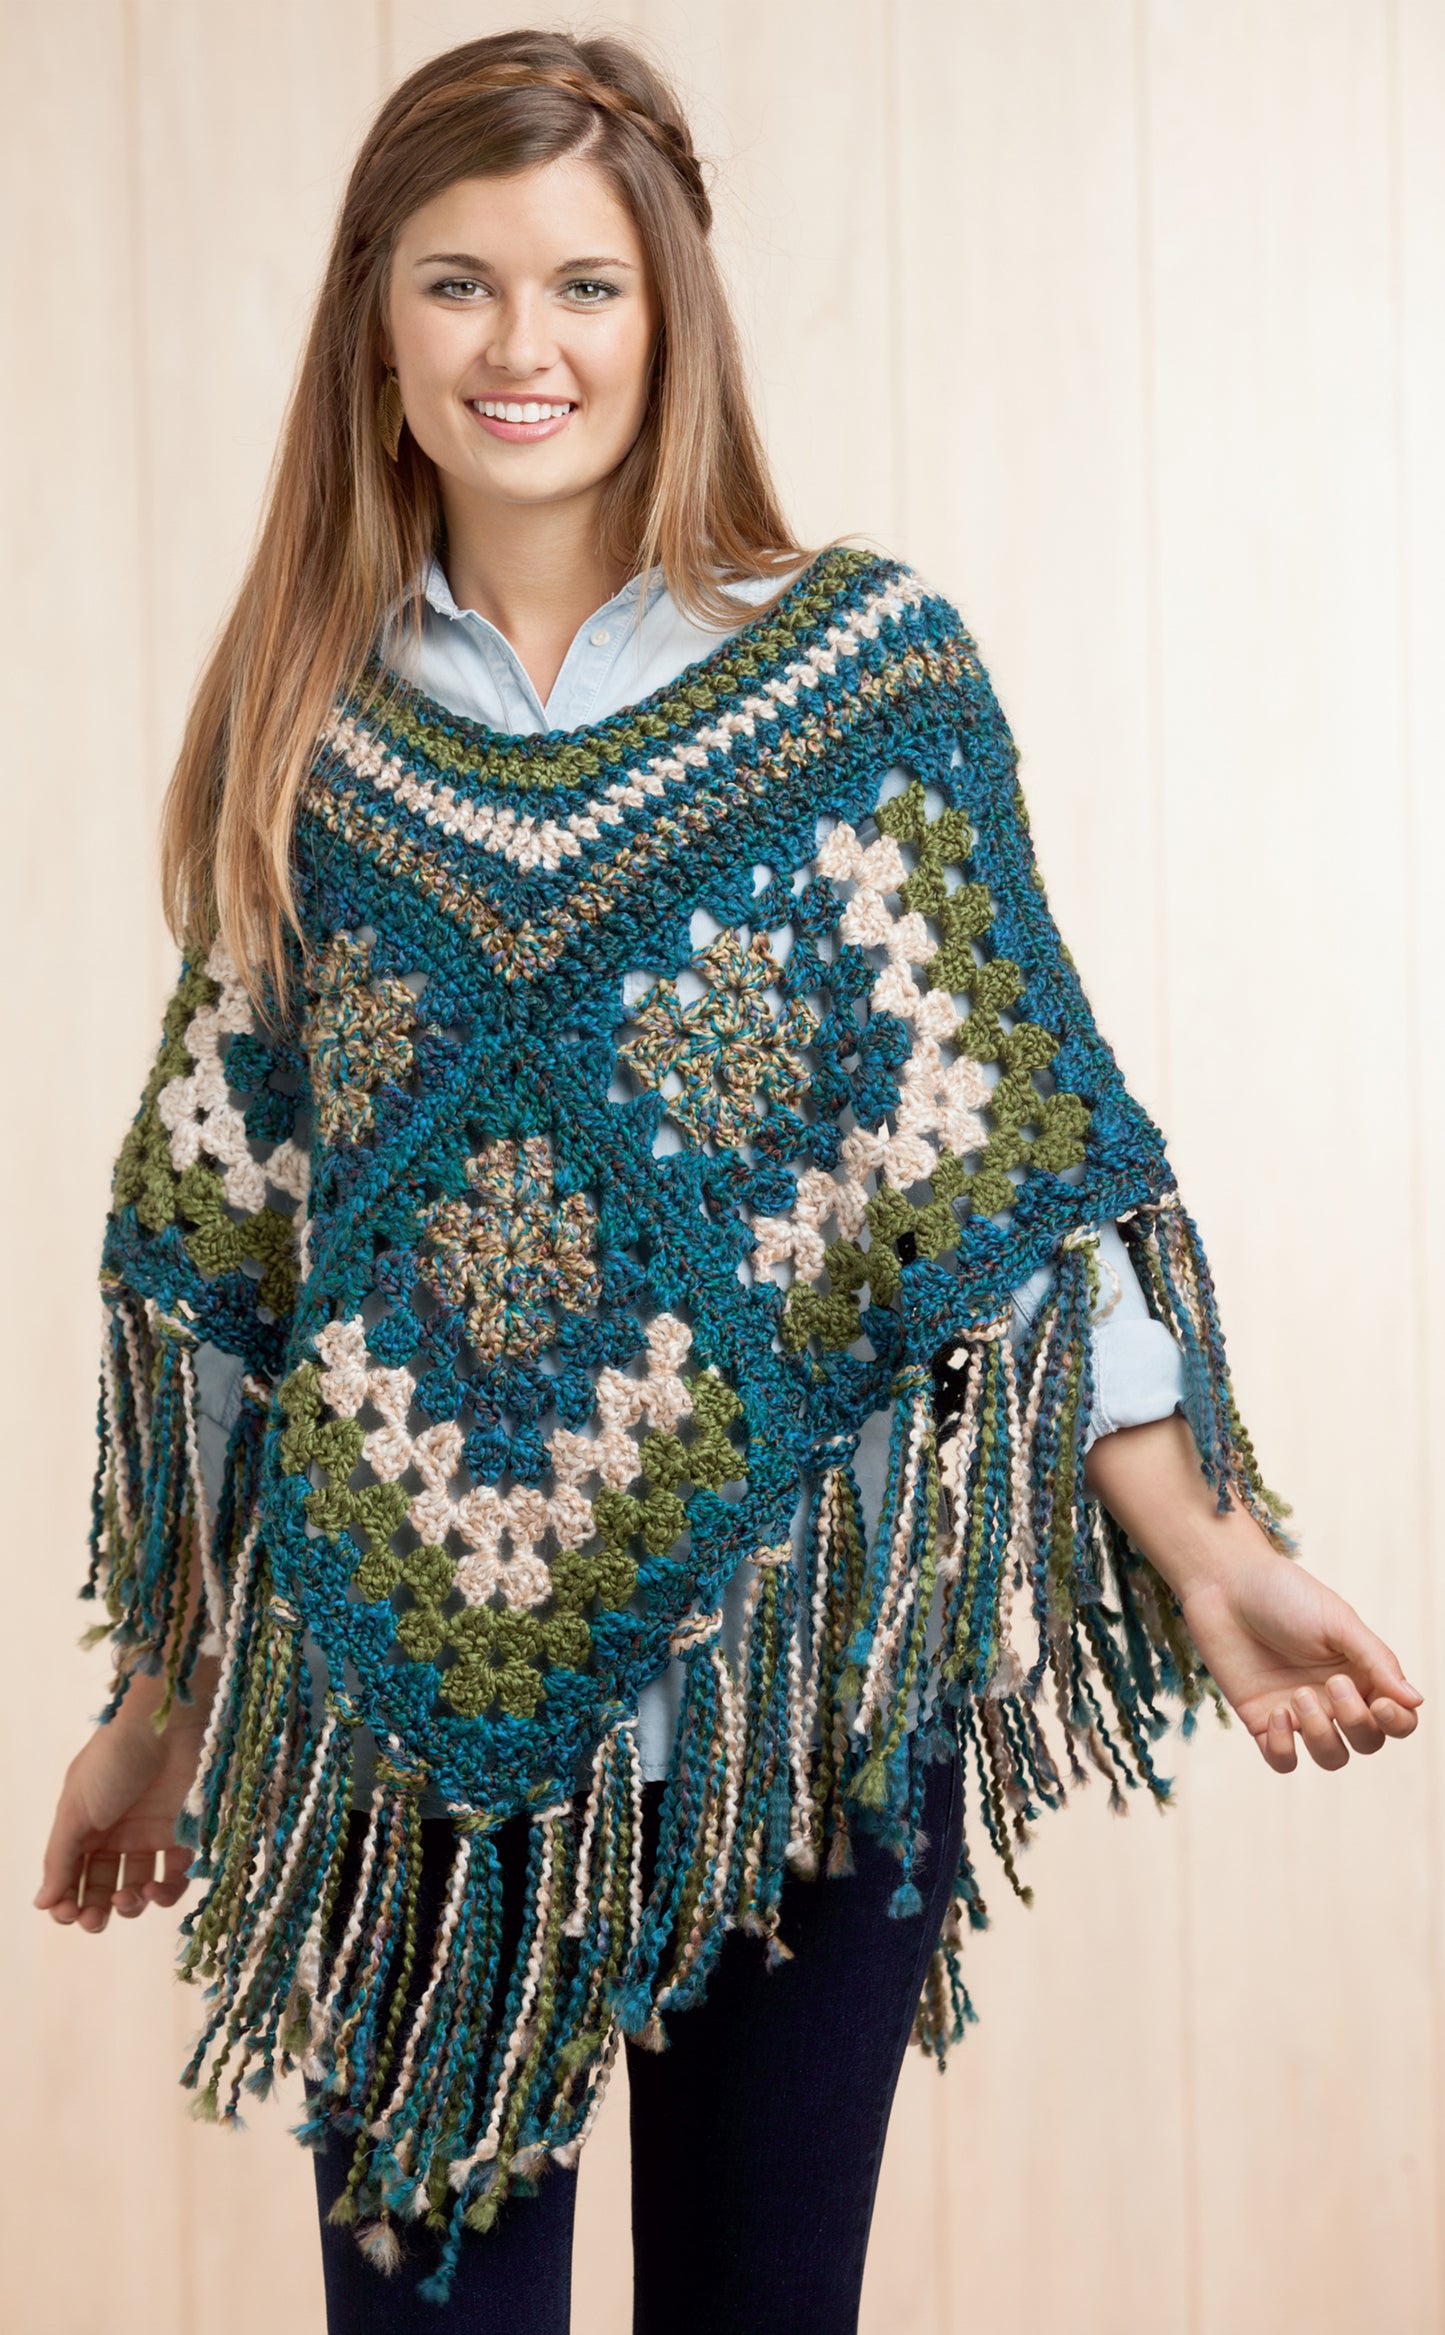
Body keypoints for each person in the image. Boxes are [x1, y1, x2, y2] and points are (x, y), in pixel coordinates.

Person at [34, 29, 1422, 2335]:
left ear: (667, 311)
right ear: (374, 320)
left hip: (798, 1702)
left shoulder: (865, 679)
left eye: (584, 286)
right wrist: (167, 1690)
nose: (522, 346)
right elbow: (239, 1269)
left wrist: (1206, 1549)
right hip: (405, 1770)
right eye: (459, 284)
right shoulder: (309, 727)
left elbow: (1015, 1181)